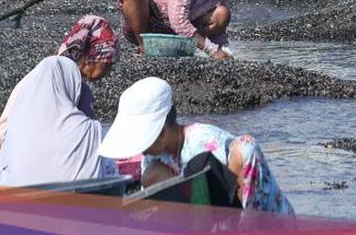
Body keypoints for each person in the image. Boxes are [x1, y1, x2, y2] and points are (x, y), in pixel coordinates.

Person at [98, 77, 293, 214]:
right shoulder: (153, 158)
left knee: (242, 148)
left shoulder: (204, 142)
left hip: (244, 211)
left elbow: (226, 195)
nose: (141, 148)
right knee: (151, 173)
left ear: (163, 131)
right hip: (201, 215)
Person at [0, 15, 119, 180]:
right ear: (86, 62)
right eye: (107, 65)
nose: (108, 73)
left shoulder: (52, 74)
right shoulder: (50, 83)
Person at [0, 55, 114, 187]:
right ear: (73, 85)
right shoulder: (91, 130)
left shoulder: (12, 129)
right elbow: (111, 177)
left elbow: (4, 176)